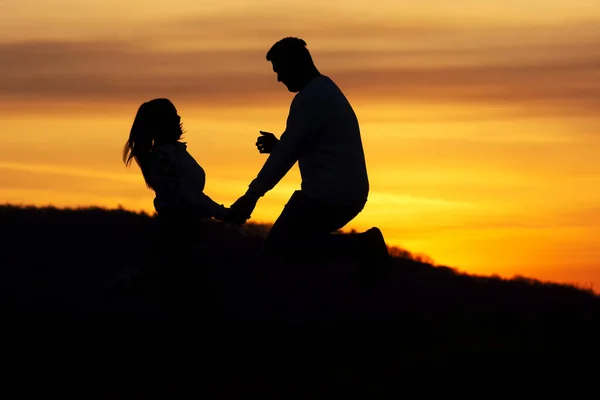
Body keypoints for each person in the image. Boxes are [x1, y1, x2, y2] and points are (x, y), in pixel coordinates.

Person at [229, 38, 390, 279]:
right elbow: (305, 144)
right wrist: (281, 146)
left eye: (280, 70)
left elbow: (286, 155)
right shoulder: (325, 93)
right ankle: (359, 254)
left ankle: (364, 245)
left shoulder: (311, 98)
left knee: (279, 248)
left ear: (295, 64)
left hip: (328, 195)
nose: (278, 79)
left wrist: (251, 196)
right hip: (344, 194)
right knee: (296, 250)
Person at [122, 98, 230, 300]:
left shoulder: (176, 153)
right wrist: (224, 213)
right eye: (173, 115)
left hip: (187, 231)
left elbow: (191, 196)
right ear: (161, 123)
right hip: (176, 233)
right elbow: (187, 195)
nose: (179, 118)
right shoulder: (163, 157)